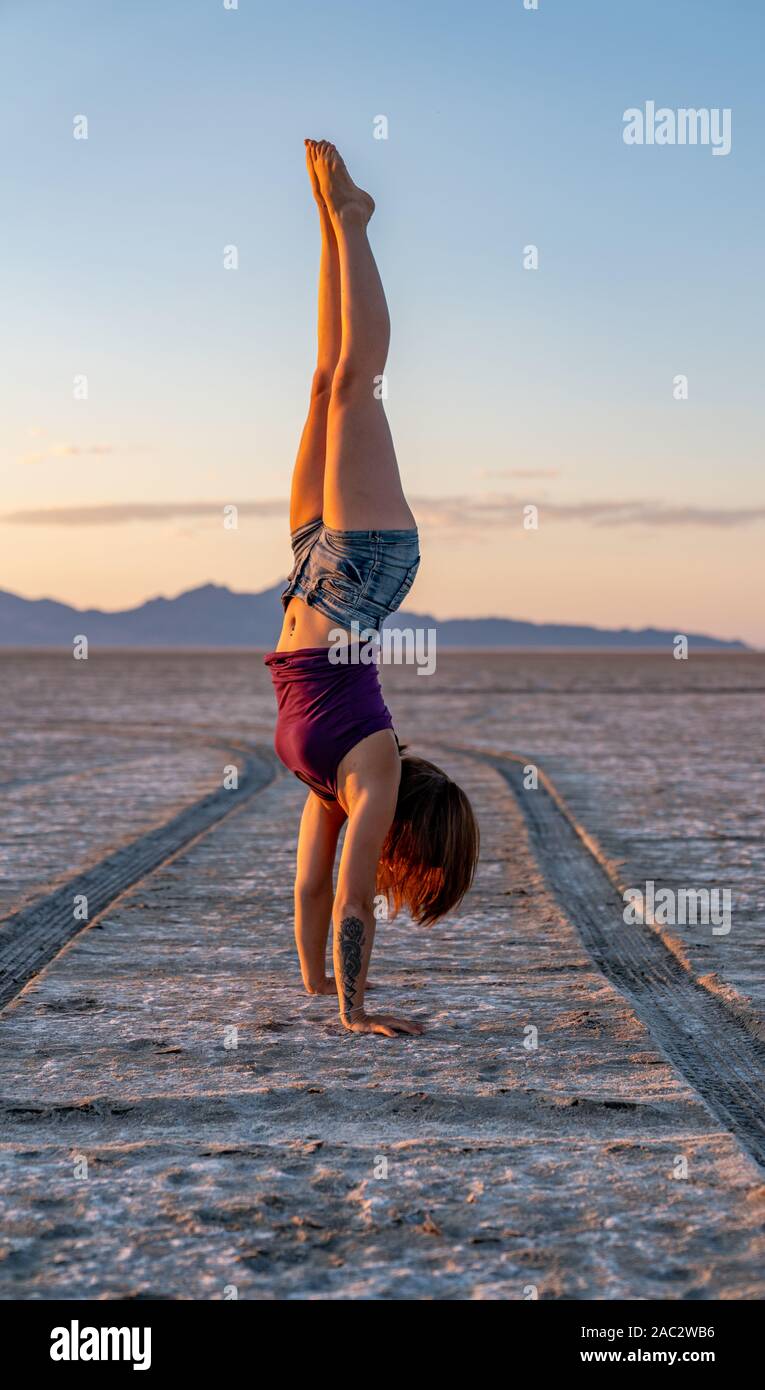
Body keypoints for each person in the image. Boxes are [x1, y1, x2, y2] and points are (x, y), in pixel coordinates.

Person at [265, 141, 479, 1038]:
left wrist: (320, 994)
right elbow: (354, 903)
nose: (392, 873)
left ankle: (328, 218)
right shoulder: (375, 768)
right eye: (412, 867)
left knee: (324, 382)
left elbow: (316, 887)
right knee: (360, 384)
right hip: (361, 573)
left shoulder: (334, 789)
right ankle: (352, 219)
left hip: (315, 571)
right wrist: (360, 1016)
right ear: (413, 833)